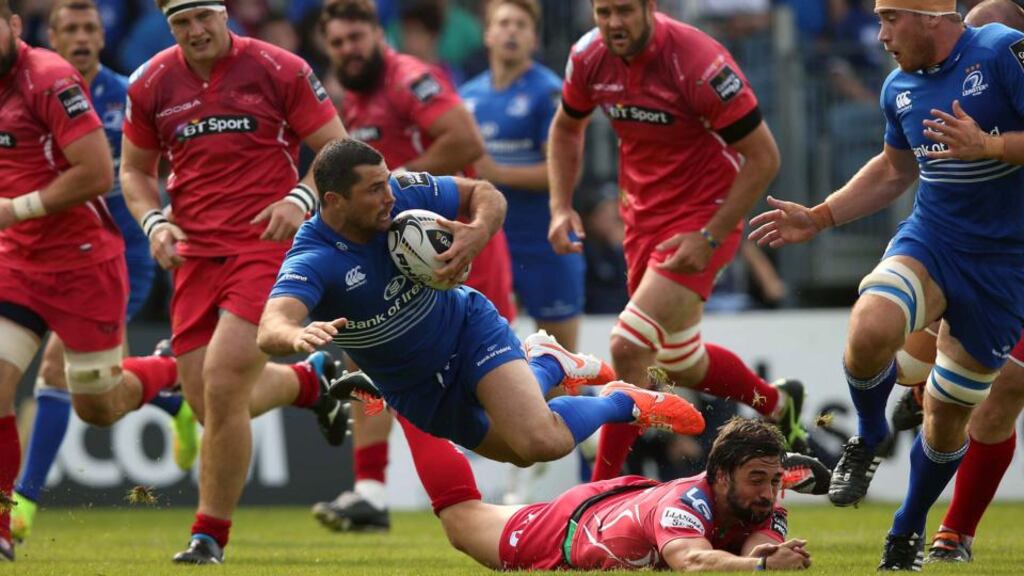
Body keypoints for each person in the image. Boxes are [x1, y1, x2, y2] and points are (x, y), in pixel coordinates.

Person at [748, 0, 1024, 568]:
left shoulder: (998, 52)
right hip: (935, 238)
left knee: (948, 416)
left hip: (1003, 266)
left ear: (928, 17)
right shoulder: (898, 87)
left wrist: (992, 146)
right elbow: (896, 169)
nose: (879, 36)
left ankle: (909, 529)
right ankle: (869, 435)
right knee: (871, 323)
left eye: (889, 20)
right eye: (875, 20)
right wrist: (819, 216)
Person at [258, 138, 706, 482]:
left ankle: (621, 401)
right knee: (520, 451)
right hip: (417, 391)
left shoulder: (404, 192)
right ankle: (549, 364)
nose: (389, 196)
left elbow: (484, 193)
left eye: (387, 181)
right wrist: (295, 336)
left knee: (540, 438)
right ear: (333, 201)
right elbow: (271, 324)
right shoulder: (314, 258)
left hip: (467, 331)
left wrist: (477, 232)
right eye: (374, 190)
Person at [119, 0, 351, 564]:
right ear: (168, 25)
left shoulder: (281, 68)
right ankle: (309, 383)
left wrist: (300, 198)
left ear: (225, 13)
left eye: (204, 16)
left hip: (266, 250)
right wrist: (154, 222)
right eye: (181, 22)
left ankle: (208, 537)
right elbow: (134, 171)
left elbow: (338, 150)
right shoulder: (149, 82)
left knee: (223, 384)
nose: (195, 31)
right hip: (194, 257)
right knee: (208, 404)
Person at [547, 0, 806, 483]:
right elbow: (566, 128)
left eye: (624, 11)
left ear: (651, 7)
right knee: (680, 360)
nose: (613, 23)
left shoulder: (698, 62)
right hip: (643, 214)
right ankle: (778, 402)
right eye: (603, 12)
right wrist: (561, 206)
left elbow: (764, 157)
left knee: (628, 345)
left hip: (706, 213)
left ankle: (603, 488)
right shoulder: (587, 56)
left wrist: (710, 236)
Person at [314, 0, 516, 533]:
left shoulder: (410, 79)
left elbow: (465, 143)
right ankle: (370, 492)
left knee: (469, 383)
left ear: (378, 34)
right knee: (375, 360)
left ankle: (557, 388)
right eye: (337, 44)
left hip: (451, 248)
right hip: (393, 258)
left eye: (356, 38)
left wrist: (393, 187)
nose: (347, 51)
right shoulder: (353, 100)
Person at [0, 0, 191, 561]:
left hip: (92, 260)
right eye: (72, 28)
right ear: (53, 31)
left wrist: (13, 209)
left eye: (91, 27)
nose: (82, 38)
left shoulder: (52, 80)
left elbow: (100, 173)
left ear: (16, 27)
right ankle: (10, 516)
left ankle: (172, 377)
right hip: (19, 261)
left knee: (99, 406)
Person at [881, 0, 1024, 564]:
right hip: (979, 254)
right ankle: (911, 393)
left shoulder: (1004, 67)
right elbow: (899, 166)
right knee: (916, 345)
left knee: (1005, 386)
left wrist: (992, 146)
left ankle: (954, 532)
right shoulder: (936, 90)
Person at [404, 415, 811, 571]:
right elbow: (693, 561)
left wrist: (767, 558)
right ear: (720, 476)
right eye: (757, 479)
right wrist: (760, 569)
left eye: (775, 481)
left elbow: (759, 549)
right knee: (460, 518)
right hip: (563, 531)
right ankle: (405, 402)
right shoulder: (684, 506)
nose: (768, 492)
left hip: (616, 505)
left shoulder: (763, 506)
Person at [461, 0, 585, 353]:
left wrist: (497, 173)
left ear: (534, 38)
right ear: (488, 34)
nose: (511, 31)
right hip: (489, 241)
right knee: (487, 352)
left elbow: (567, 173)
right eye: (503, 23)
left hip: (546, 240)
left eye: (520, 25)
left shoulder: (549, 92)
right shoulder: (467, 95)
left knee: (560, 362)